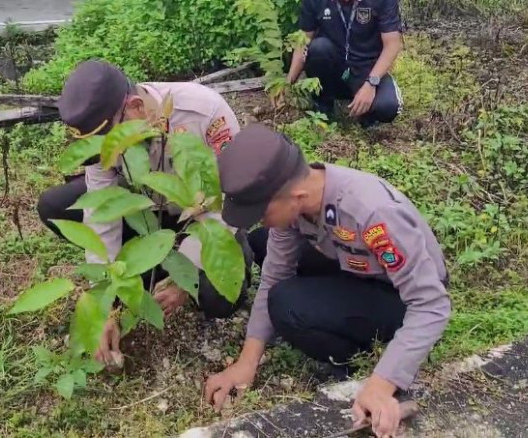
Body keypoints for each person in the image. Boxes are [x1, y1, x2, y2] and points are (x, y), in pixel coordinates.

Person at [204, 124, 450, 437]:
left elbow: (431, 304)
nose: (258, 218)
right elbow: (275, 272)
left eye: (261, 211)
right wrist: (246, 362)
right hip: (358, 266)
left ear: (295, 196)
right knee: (262, 241)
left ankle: (352, 358)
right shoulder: (304, 199)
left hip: (400, 296)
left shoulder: (372, 214)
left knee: (287, 304)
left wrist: (381, 384)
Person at [37, 60, 252, 365]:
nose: (110, 153)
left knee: (219, 301)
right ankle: (150, 266)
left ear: (136, 107)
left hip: (202, 218)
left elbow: (230, 197)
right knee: (56, 206)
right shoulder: (106, 132)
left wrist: (185, 274)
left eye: (114, 144)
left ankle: (180, 265)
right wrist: (106, 301)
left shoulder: (204, 113)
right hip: (146, 212)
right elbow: (103, 211)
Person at [286, 0, 404, 125]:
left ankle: (367, 114)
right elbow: (302, 41)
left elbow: (392, 45)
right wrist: (287, 85)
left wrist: (371, 83)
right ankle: (323, 105)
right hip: (333, 66)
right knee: (319, 48)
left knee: (388, 107)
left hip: (367, 67)